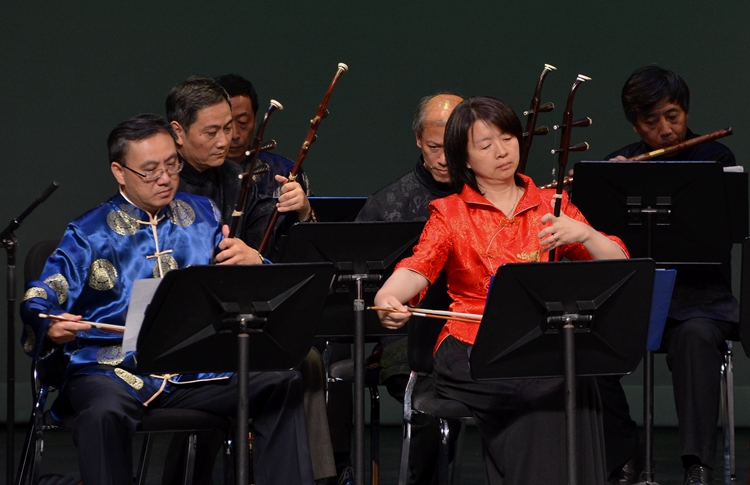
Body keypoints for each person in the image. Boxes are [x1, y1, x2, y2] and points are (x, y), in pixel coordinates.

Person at [19, 114, 314, 485]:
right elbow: (41, 293)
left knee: (280, 383)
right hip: (112, 368)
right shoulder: (88, 233)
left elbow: (239, 286)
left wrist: (254, 261)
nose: (165, 178)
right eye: (150, 170)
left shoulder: (202, 215)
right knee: (102, 411)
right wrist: (49, 323)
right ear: (119, 172)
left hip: (195, 368)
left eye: (172, 165)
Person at [374, 95, 628, 485]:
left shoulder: (550, 205)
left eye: (507, 138)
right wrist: (387, 295)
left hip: (536, 342)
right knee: (540, 388)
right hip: (469, 345)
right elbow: (419, 265)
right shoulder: (451, 213)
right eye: (485, 144)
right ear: (464, 157)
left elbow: (618, 264)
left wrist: (586, 235)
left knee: (578, 380)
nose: (502, 151)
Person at [165, 76, 336, 484]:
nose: (226, 140)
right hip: (181, 327)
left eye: (231, 128)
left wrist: (263, 251)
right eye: (212, 132)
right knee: (245, 373)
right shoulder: (161, 182)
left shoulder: (240, 178)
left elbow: (279, 259)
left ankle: (314, 477)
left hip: (241, 318)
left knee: (303, 359)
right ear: (178, 132)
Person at [599, 65, 738, 485]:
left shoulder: (715, 159)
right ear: (634, 123)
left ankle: (698, 465)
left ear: (686, 111)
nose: (665, 130)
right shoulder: (618, 165)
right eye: (650, 121)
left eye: (673, 116)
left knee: (695, 338)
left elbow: (721, 236)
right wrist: (609, 184)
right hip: (637, 298)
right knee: (581, 340)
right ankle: (625, 456)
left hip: (699, 300)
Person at [350, 93, 463, 485]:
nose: (444, 159)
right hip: (407, 336)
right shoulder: (387, 205)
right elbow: (361, 288)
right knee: (431, 402)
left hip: (471, 329)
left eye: (452, 147)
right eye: (434, 147)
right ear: (418, 140)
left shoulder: (487, 195)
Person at [213, 73, 312, 197]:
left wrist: (305, 208)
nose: (235, 135)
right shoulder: (195, 175)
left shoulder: (285, 172)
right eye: (226, 125)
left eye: (243, 122)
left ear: (255, 121)